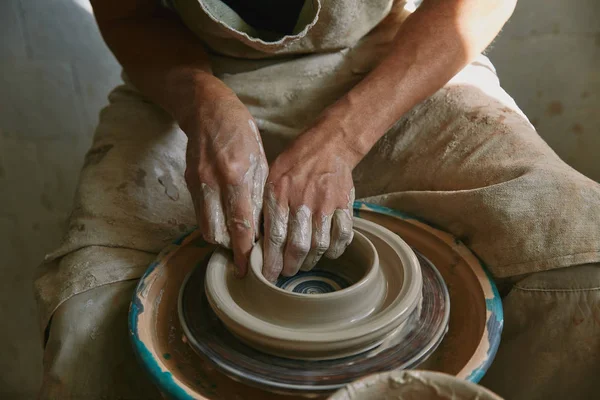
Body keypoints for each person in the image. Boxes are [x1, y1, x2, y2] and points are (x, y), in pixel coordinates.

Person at [35, 0, 600, 399]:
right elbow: (128, 13)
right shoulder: (197, 92)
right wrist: (202, 102)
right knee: (88, 324)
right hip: (199, 77)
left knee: (583, 257)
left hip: (390, 64)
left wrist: (343, 136)